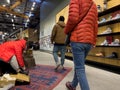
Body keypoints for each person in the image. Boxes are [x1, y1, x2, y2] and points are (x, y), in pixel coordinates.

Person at [64, 0, 98, 90]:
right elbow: (95, 25)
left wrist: (66, 31)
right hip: (89, 41)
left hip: (78, 39)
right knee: (79, 65)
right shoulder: (93, 4)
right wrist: (94, 41)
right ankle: (73, 85)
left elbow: (72, 18)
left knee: (80, 69)